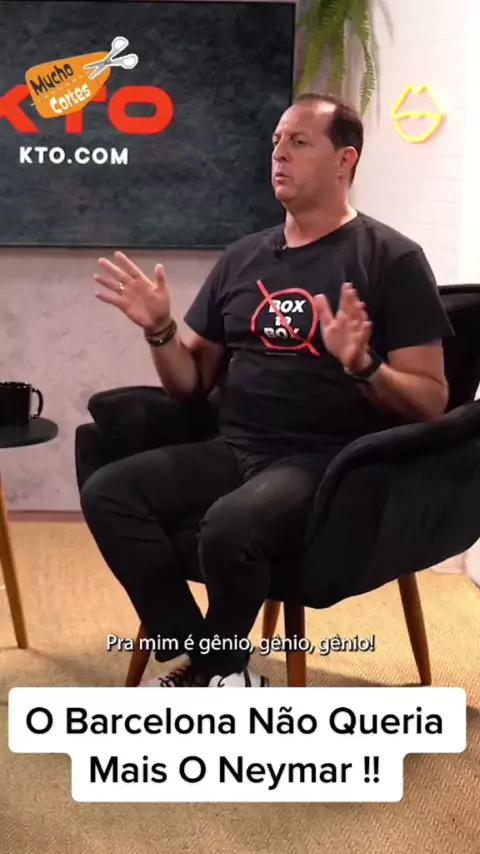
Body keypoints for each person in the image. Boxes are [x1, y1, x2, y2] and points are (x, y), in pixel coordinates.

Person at [80, 93, 453, 688]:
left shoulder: (392, 259)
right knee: (110, 492)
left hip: (329, 464)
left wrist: (364, 365)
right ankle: (212, 659)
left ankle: (214, 671)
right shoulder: (243, 257)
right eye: (277, 141)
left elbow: (431, 400)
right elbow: (190, 384)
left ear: (345, 160)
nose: (279, 154)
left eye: (299, 142)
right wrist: (159, 329)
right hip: (236, 449)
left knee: (229, 527)